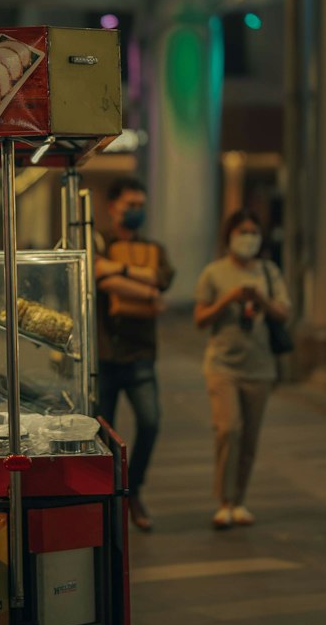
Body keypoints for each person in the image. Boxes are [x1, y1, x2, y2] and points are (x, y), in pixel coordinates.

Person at [194, 210, 290, 530]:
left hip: (260, 366)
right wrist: (229, 299)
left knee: (249, 438)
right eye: (242, 231)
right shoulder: (214, 273)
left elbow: (283, 313)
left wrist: (260, 297)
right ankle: (224, 501)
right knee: (229, 429)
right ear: (230, 235)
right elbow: (200, 319)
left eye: (253, 231)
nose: (248, 237)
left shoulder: (269, 271)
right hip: (223, 365)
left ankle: (239, 500)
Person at [94, 177, 175, 532]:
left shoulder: (153, 248)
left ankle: (133, 489)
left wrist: (123, 273)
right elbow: (102, 278)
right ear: (113, 206)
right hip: (105, 355)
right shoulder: (98, 241)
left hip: (141, 354)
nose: (136, 211)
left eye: (141, 205)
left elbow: (163, 278)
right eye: (131, 204)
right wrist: (144, 288)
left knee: (151, 422)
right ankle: (109, 499)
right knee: (102, 438)